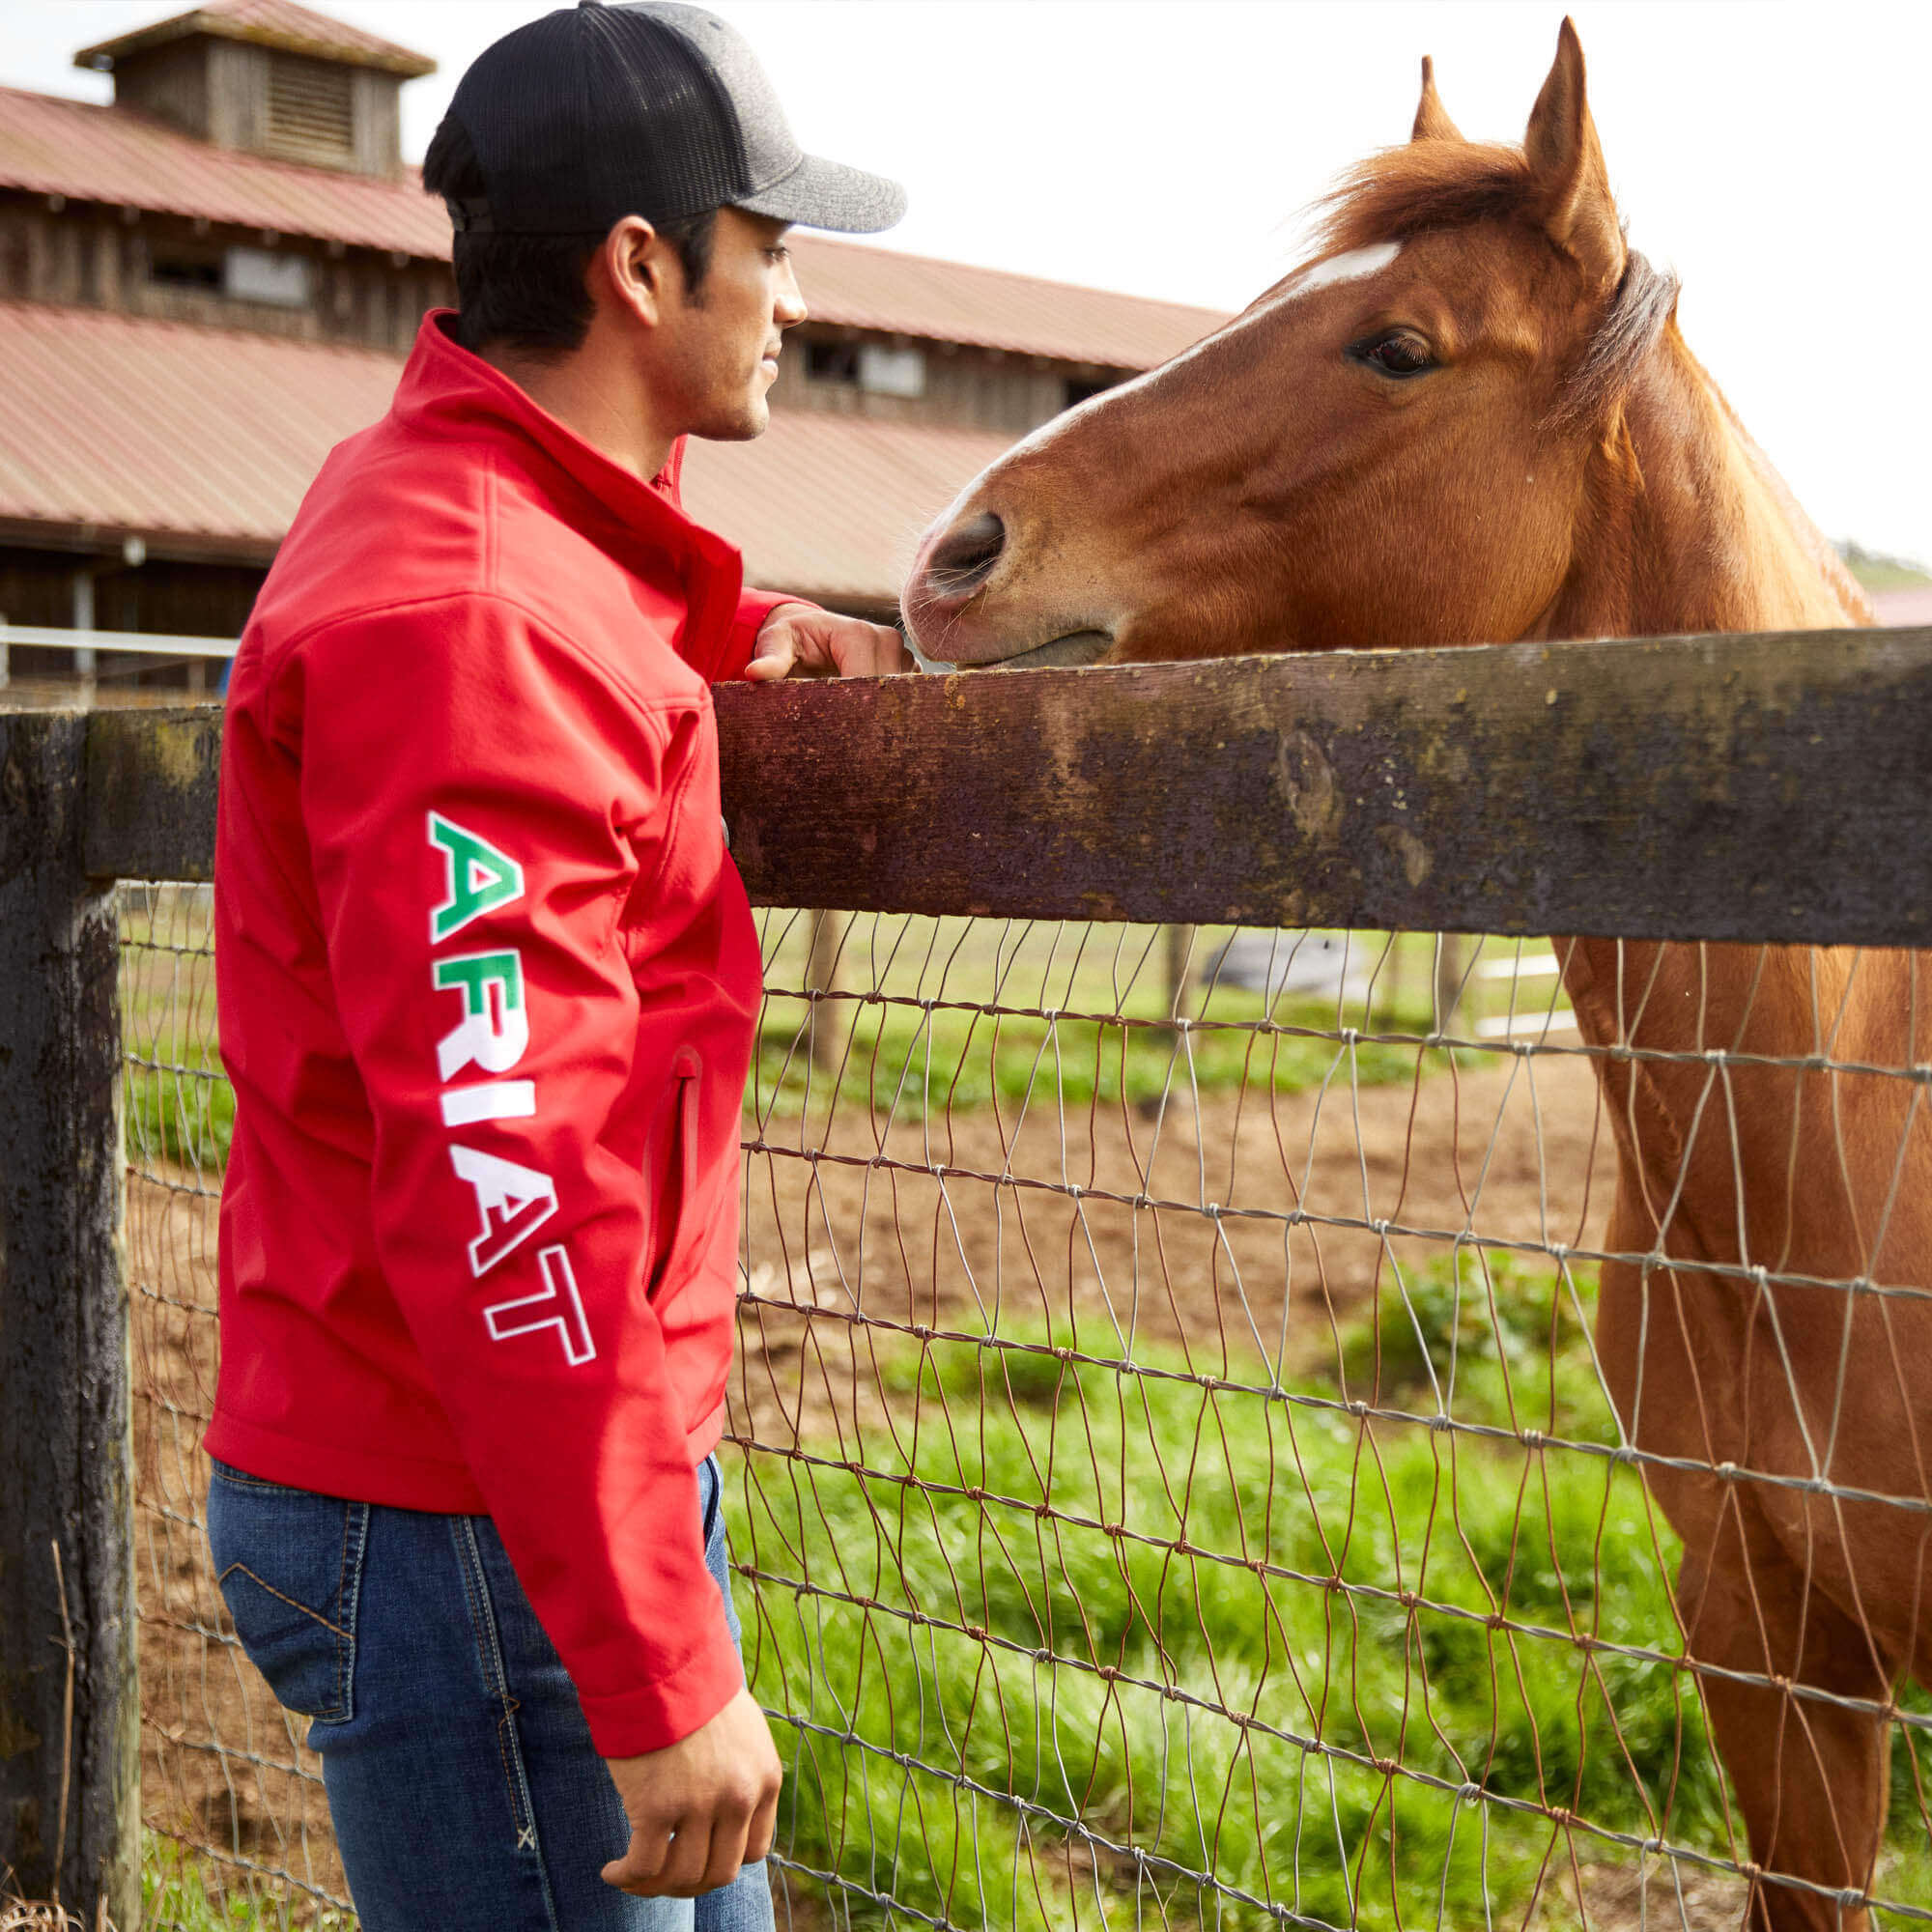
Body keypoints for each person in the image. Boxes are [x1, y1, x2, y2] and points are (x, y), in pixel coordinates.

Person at [203, 6, 906, 1926]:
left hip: (527, 1470)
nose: (787, 294)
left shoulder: (475, 539)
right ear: (640, 266)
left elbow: (535, 661)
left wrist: (717, 637)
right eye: (765, 243)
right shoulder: (474, 632)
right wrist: (659, 1661)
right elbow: (498, 1173)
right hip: (471, 1502)